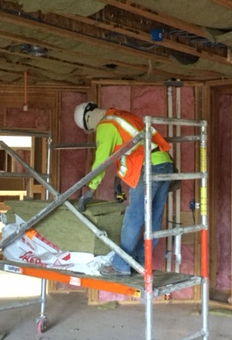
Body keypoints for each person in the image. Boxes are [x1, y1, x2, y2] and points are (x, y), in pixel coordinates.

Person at [73, 102, 173, 276]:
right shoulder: (124, 116)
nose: (93, 130)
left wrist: (91, 187)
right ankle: (139, 261)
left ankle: (120, 265)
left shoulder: (106, 125)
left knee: (133, 216)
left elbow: (101, 161)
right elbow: (130, 147)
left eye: (89, 128)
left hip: (147, 167)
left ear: (88, 118)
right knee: (154, 218)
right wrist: (118, 178)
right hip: (164, 163)